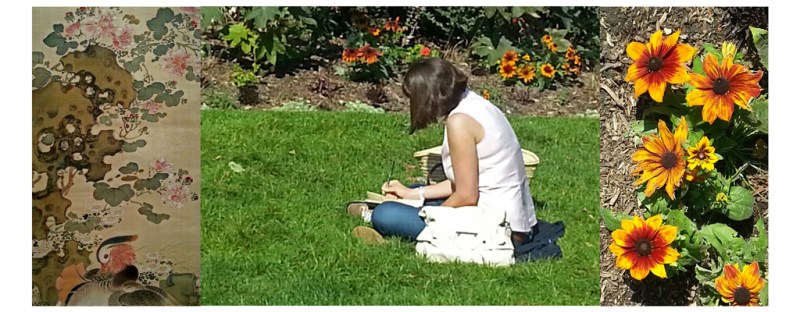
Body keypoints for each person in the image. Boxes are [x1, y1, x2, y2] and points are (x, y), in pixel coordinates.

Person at [348, 57, 537, 245]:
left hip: (499, 228)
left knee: (386, 214)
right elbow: (464, 183)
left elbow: (467, 196)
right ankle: (390, 212)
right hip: (510, 217)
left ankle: (376, 216)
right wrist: (412, 193)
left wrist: (434, 218)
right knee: (415, 191)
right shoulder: (477, 104)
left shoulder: (460, 123)